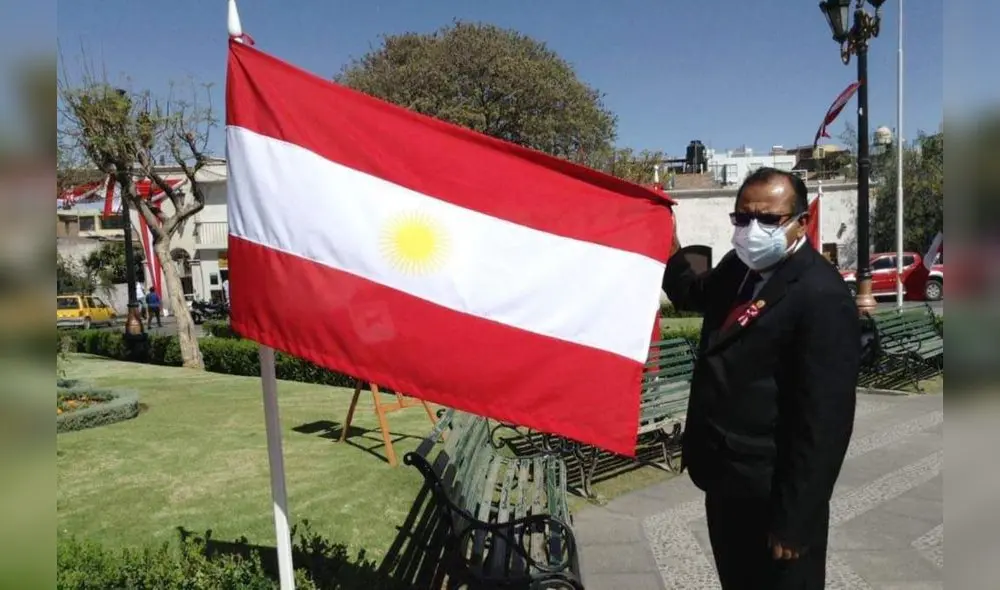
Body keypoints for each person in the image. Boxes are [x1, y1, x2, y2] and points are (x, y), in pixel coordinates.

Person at [662, 167, 860, 589]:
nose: (753, 229)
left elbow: (824, 423)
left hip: (775, 495)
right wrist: (668, 242)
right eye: (743, 217)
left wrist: (796, 519)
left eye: (769, 219)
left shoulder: (820, 295)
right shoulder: (741, 267)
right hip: (727, 479)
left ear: (800, 222)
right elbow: (693, 293)